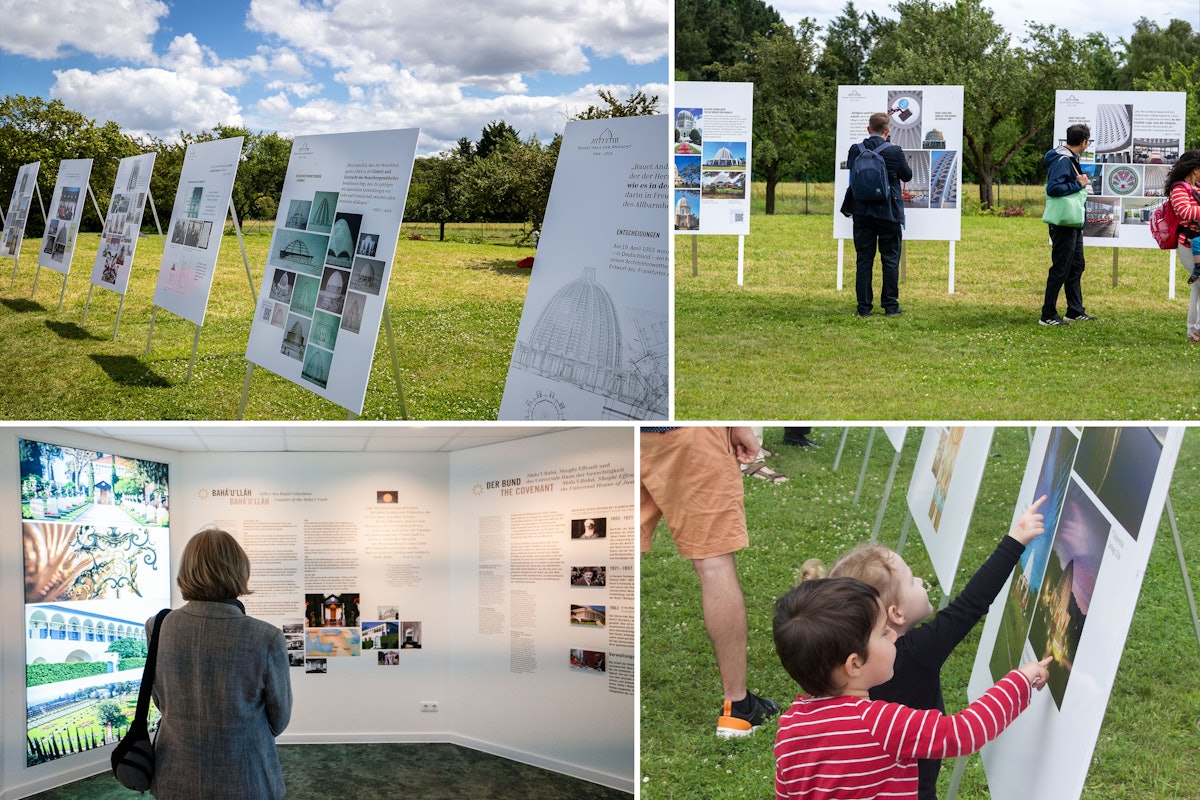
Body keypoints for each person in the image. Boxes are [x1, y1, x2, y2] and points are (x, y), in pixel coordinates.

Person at [811, 496, 1047, 800]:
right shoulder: (917, 652)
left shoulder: (836, 669)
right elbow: (971, 604)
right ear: (896, 614)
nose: (921, 581)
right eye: (912, 582)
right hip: (914, 788)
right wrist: (1014, 541)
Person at [772, 577, 1051, 799]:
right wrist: (1020, 681)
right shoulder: (880, 723)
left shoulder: (788, 730)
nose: (894, 634)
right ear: (854, 664)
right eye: (883, 633)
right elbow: (962, 733)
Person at [641, 426, 780, 737]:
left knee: (610, 552)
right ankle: (737, 709)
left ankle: (591, 681)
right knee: (714, 563)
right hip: (685, 433)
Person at [147, 528, 292, 800]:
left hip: (175, 772)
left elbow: (160, 699)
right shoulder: (266, 636)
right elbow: (279, 718)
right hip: (246, 775)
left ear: (186, 570)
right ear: (238, 569)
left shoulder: (157, 627)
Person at [841, 111, 913, 318]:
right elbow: (907, 175)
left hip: (862, 212)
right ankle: (890, 306)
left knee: (864, 260)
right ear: (887, 131)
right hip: (888, 211)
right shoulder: (894, 151)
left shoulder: (856, 150)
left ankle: (863, 307)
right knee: (890, 258)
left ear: (868, 129)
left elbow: (853, 171)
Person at [1040, 124, 1096, 326]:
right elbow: (1054, 188)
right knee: (1061, 267)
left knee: (1076, 265)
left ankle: (1074, 310)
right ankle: (1047, 314)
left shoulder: (1066, 158)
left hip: (1072, 221)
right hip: (1064, 222)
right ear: (1083, 142)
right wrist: (1078, 184)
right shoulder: (1064, 161)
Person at [1164, 150, 1200, 341]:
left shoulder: (1197, 186)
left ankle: (1193, 331)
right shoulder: (1179, 189)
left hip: (1197, 243)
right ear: (1195, 170)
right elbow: (1184, 211)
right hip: (1189, 245)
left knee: (1198, 286)